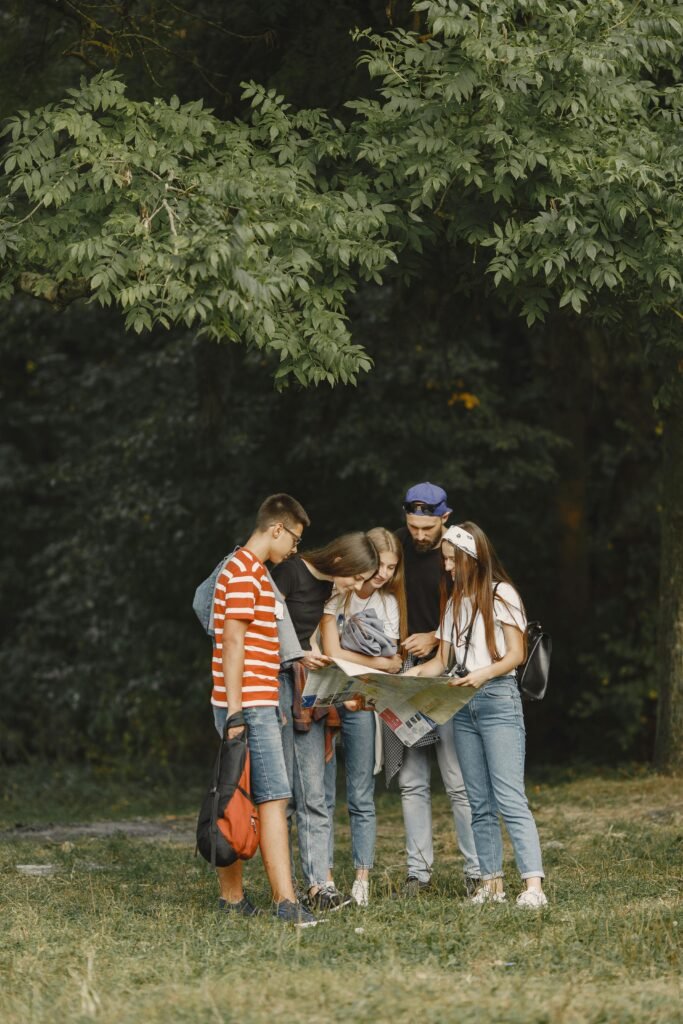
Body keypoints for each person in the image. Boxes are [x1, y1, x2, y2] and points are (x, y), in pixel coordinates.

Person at [408, 522, 547, 908]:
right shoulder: (454, 603)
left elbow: (515, 656)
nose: (448, 568)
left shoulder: (502, 594)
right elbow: (440, 663)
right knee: (477, 799)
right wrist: (399, 680)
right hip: (462, 706)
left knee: (508, 795)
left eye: (453, 560)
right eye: (446, 561)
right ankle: (491, 883)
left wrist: (480, 675)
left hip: (497, 699)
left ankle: (533, 885)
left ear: (472, 558)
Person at [209, 493, 319, 927]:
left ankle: (232, 899)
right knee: (273, 797)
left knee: (232, 794)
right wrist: (236, 713)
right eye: (293, 538)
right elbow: (232, 641)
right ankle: (286, 903)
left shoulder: (253, 573)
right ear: (276, 528)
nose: (294, 549)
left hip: (254, 701)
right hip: (251, 705)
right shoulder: (241, 572)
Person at [271, 531, 379, 911]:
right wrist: (298, 654)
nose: (359, 585)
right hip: (278, 686)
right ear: (340, 563)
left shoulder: (329, 591)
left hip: (309, 689)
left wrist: (320, 665)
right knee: (281, 796)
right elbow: (266, 627)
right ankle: (283, 888)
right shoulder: (289, 572)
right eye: (357, 577)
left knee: (314, 791)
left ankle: (320, 885)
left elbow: (312, 640)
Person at [392, 482, 480, 896]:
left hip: (446, 672)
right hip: (405, 673)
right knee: (412, 779)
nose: (420, 535)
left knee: (457, 778)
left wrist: (434, 636)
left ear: (444, 517)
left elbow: (473, 611)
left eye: (428, 527)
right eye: (414, 526)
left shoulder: (458, 554)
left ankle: (476, 871)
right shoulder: (395, 549)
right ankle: (418, 873)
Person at [320, 527, 407, 906]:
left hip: (360, 700)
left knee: (360, 791)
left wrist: (375, 663)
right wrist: (378, 661)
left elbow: (396, 663)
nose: (384, 573)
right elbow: (330, 650)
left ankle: (362, 877)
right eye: (380, 564)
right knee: (320, 793)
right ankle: (321, 876)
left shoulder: (389, 603)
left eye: (392, 566)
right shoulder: (338, 593)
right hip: (324, 697)